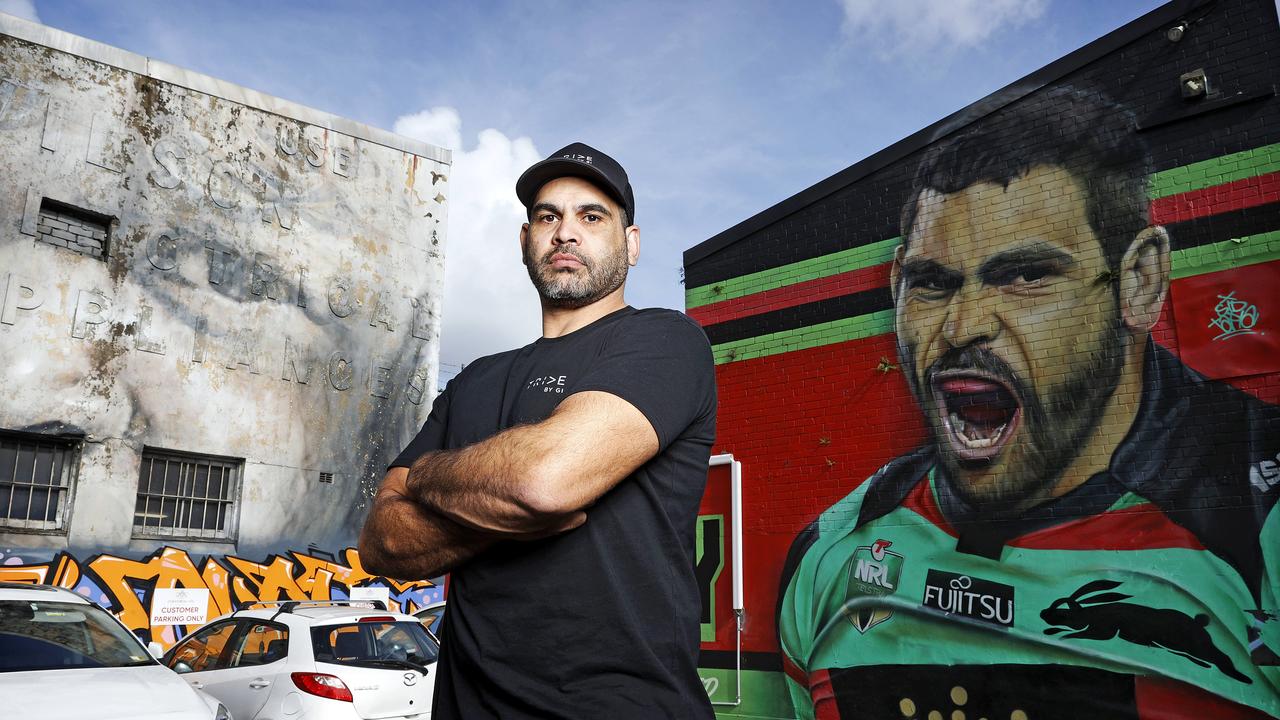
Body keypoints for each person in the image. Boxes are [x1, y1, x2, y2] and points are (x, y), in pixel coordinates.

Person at [778, 87, 1280, 719]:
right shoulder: (833, 549)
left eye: (1025, 276)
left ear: (1140, 281)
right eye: (931, 284)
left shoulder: (1258, 522)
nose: (963, 326)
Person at [359, 142, 717, 719]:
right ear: (525, 241)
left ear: (631, 244)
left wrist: (424, 477)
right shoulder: (476, 379)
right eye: (548, 217)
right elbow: (381, 540)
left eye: (591, 216)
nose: (565, 233)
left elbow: (544, 482)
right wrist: (514, 514)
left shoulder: (666, 341)